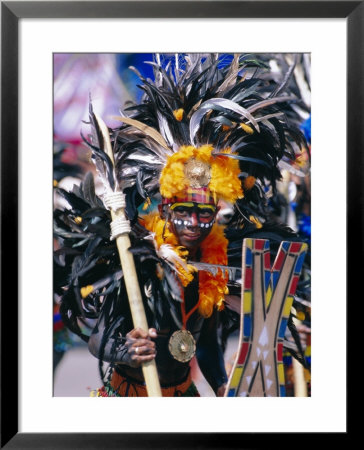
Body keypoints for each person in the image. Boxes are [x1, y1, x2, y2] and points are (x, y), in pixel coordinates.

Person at [54, 53, 310, 397]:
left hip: (183, 395)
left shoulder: (213, 265)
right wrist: (125, 349)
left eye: (204, 213)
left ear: (216, 212)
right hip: (131, 398)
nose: (194, 222)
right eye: (184, 211)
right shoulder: (136, 258)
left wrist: (220, 384)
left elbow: (204, 344)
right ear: (168, 207)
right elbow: (99, 340)